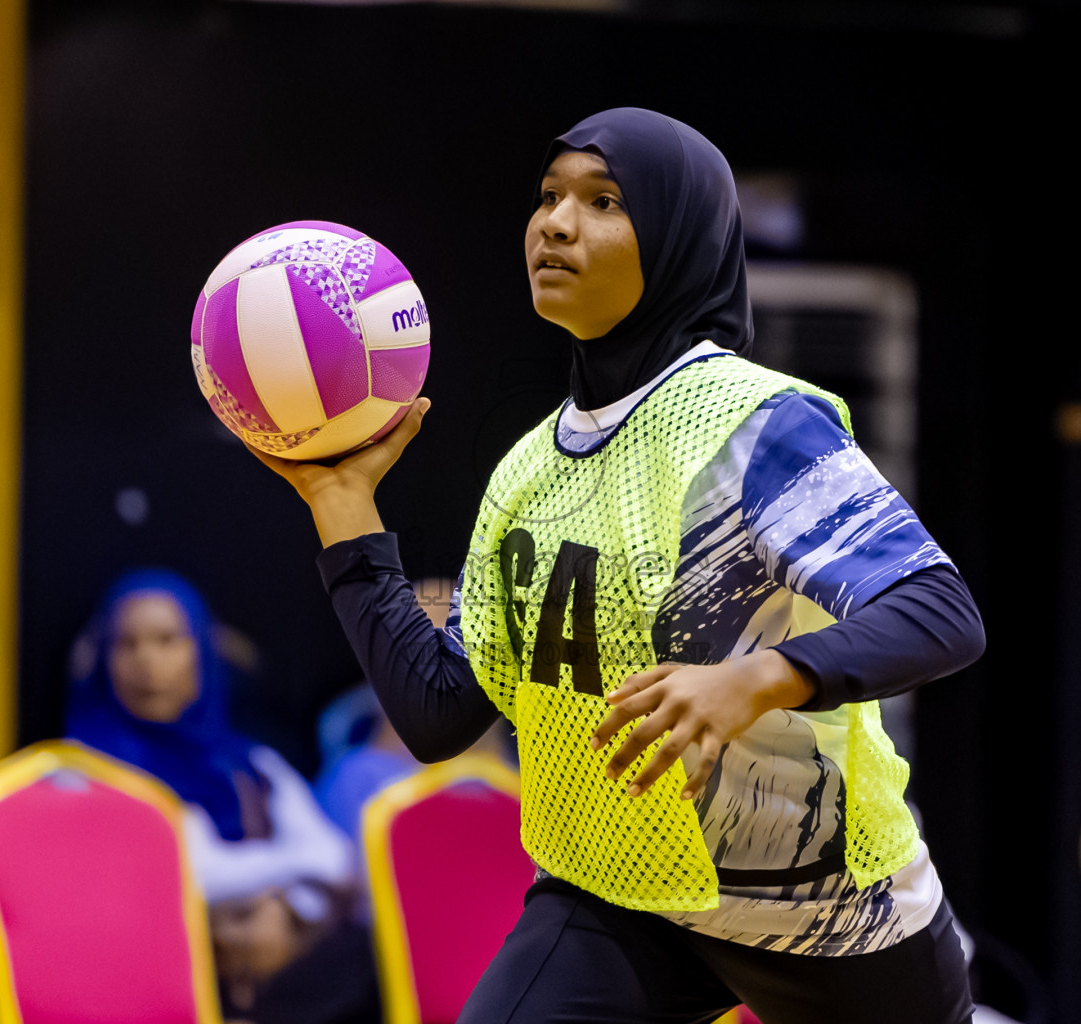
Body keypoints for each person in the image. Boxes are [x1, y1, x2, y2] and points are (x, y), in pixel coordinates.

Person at [248, 108, 985, 1024]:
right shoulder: (527, 469)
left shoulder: (755, 424)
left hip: (824, 908)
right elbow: (441, 714)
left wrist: (758, 680)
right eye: (548, 197)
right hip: (620, 890)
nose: (556, 223)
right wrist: (340, 507)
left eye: (603, 202)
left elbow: (941, 610)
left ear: (679, 240)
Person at [64, 568, 376, 1023]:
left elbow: (334, 858)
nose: (147, 662)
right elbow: (186, 875)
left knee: (373, 952)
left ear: (203, 654)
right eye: (126, 644)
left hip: (269, 957)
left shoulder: (250, 764)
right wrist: (271, 885)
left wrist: (283, 911)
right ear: (102, 660)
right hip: (145, 970)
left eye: (168, 640)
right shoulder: (80, 772)